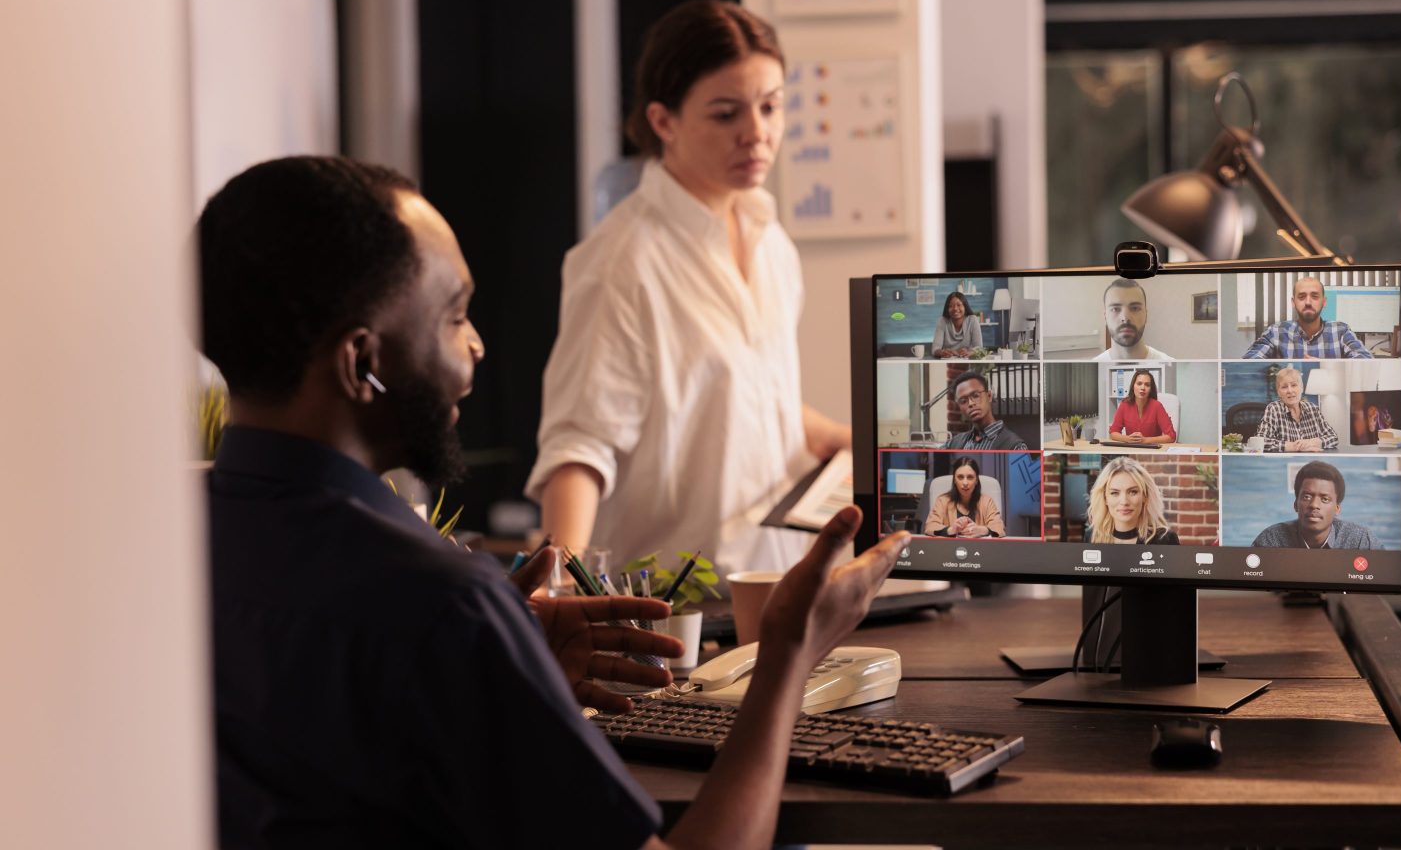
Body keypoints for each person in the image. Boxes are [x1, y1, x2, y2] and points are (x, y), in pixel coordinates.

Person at [198, 155, 909, 850]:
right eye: (454, 316)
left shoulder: (167, 557)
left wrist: (512, 686)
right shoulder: (441, 609)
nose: (476, 346)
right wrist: (790, 652)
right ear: (363, 364)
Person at [525, 0, 850, 579]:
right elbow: (581, 442)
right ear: (663, 121)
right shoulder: (620, 262)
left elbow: (740, 392)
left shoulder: (770, 238)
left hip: (775, 585)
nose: (758, 133)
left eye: (771, 107)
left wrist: (845, 441)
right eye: (726, 114)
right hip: (675, 609)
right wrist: (555, 597)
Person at [1252, 460, 1375, 549]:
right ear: (1295, 504)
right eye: (1307, 497)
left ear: (1337, 509)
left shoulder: (1361, 540)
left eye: (1325, 499)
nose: (1314, 505)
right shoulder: (1271, 539)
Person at [1244, 276, 1373, 359]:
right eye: (1301, 297)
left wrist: (1325, 369)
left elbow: (1365, 361)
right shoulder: (1276, 332)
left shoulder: (1341, 331)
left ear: (1324, 302)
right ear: (1293, 302)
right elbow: (1248, 363)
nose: (1308, 302)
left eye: (1315, 296)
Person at [1084, 455, 1179, 545]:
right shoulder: (1092, 536)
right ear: (1105, 498)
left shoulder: (1165, 539)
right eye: (1114, 493)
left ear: (1145, 496)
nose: (1124, 502)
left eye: (1133, 492)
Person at [1255, 366, 1339, 452]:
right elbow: (1260, 442)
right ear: (1279, 392)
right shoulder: (1274, 409)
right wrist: (1294, 446)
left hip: (1312, 461)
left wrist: (1313, 442)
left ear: (1301, 388)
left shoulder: (1313, 409)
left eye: (1294, 385)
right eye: (1284, 387)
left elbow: (1333, 437)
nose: (1290, 390)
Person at [942, 370, 1028, 451]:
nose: (971, 403)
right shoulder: (955, 443)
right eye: (963, 401)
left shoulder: (1015, 446)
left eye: (976, 396)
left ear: (989, 396)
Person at [1093, 278, 1173, 362]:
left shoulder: (1169, 363)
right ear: (1105, 317)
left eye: (1135, 308)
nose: (1125, 317)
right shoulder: (1095, 365)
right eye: (1115, 309)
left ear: (1146, 315)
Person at [924, 456, 1005, 537]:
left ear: (976, 480)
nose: (965, 483)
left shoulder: (987, 501)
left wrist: (982, 530)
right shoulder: (942, 501)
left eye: (970, 477)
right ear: (954, 480)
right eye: (960, 477)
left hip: (979, 548)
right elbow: (930, 526)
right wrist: (951, 530)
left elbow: (999, 528)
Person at [1107, 369, 1175, 446]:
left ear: (1150, 389)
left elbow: (1171, 436)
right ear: (1133, 386)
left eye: (1147, 385)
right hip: (1132, 450)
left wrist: (1145, 440)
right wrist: (1128, 439)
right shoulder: (1124, 405)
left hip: (1152, 450)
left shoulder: (1157, 406)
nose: (1143, 387)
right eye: (1139, 383)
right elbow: (1113, 433)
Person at [932, 290, 982, 358]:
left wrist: (970, 352)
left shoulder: (973, 320)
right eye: (951, 306)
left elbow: (979, 348)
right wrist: (942, 352)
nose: (955, 308)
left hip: (966, 360)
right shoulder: (942, 321)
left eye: (959, 305)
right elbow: (935, 349)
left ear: (965, 307)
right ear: (947, 309)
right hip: (947, 360)